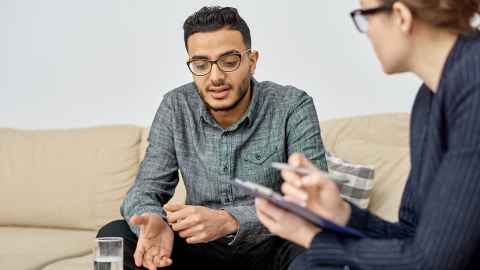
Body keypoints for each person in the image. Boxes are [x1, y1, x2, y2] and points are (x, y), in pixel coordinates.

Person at [97, 6, 329, 270]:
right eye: (201, 64)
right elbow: (143, 191)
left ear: (252, 61)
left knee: (320, 244)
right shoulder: (176, 106)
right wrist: (154, 218)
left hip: (272, 245)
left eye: (229, 61)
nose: (215, 76)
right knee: (114, 234)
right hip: (199, 250)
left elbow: (315, 201)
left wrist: (231, 219)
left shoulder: (292, 105)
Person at [255, 0, 480, 269]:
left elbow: (431, 262)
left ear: (401, 16)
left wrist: (310, 236)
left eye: (366, 16)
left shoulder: (473, 86)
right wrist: (342, 213)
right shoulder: (428, 100)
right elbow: (411, 236)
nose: (367, 32)